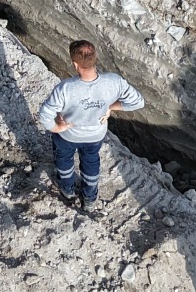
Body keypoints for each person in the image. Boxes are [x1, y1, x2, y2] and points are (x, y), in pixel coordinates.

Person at [34, 40, 143, 211]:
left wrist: (57, 128)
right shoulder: (114, 82)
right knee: (91, 163)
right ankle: (90, 199)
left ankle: (67, 190)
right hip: (95, 136)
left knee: (63, 160)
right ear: (95, 59)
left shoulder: (65, 88)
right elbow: (137, 102)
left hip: (68, 135)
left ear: (74, 64)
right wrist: (110, 107)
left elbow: (45, 115)